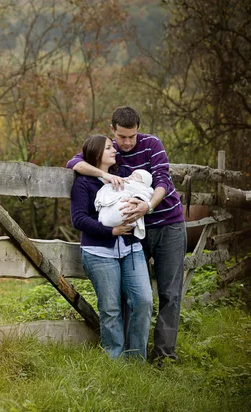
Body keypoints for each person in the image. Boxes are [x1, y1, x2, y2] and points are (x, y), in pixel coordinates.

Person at [67, 106, 186, 364]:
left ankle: (164, 354)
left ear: (138, 130)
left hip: (166, 223)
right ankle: (125, 357)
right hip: (133, 232)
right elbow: (74, 162)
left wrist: (148, 205)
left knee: (169, 293)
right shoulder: (109, 150)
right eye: (122, 137)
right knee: (128, 295)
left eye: (132, 136)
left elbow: (163, 179)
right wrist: (103, 175)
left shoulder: (152, 144)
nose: (127, 142)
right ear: (113, 131)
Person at [70, 134, 153, 360]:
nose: (114, 150)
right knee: (110, 309)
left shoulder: (121, 177)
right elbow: (78, 219)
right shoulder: (83, 183)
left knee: (143, 301)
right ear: (97, 154)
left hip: (131, 248)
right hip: (99, 252)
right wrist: (111, 231)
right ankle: (114, 360)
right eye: (109, 148)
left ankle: (136, 360)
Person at [95, 169, 153, 239]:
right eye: (132, 174)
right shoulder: (122, 180)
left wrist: (137, 199)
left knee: (124, 209)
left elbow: (145, 193)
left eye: (137, 176)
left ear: (144, 182)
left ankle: (112, 220)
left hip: (125, 204)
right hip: (115, 201)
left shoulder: (142, 187)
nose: (132, 176)